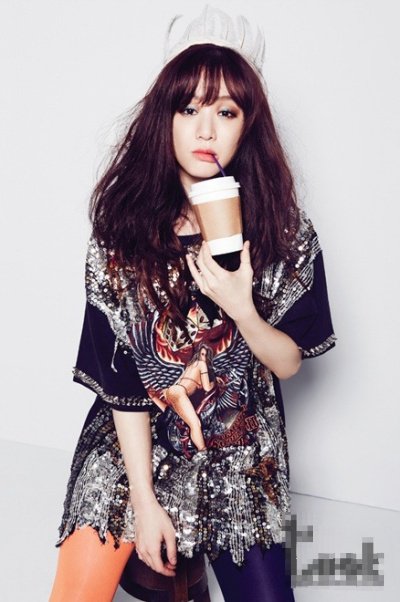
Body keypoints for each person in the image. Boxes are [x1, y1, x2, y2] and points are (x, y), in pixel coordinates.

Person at [49, 6, 336, 602]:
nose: (206, 130)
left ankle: (182, 575)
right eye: (189, 109)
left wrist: (243, 308)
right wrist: (144, 500)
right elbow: (120, 379)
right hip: (133, 444)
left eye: (225, 112)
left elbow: (289, 363)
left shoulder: (283, 230)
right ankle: (165, 575)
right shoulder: (122, 230)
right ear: (166, 120)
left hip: (238, 449)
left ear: (247, 126)